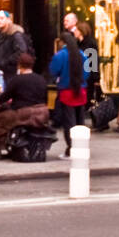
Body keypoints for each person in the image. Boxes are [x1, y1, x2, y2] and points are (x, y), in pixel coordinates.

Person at [0, 53, 50, 158]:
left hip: (24, 113)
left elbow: (4, 98)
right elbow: (46, 98)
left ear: (19, 66)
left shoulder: (17, 80)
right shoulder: (41, 79)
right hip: (42, 113)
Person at [48, 30, 89, 159]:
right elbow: (87, 73)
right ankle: (81, 146)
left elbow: (53, 71)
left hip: (66, 91)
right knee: (80, 121)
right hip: (81, 91)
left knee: (69, 123)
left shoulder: (60, 55)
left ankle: (71, 148)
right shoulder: (82, 54)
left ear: (62, 42)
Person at [0, 10, 31, 88]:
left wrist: (7, 61)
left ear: (8, 19)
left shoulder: (15, 34)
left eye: (2, 18)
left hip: (11, 71)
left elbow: (22, 51)